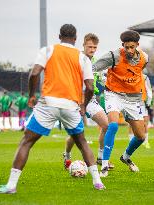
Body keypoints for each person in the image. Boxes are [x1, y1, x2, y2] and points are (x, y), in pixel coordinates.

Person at [0, 24, 105, 194]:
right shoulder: (83, 58)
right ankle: (98, 182)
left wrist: (31, 95)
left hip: (48, 103)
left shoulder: (49, 50)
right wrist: (82, 105)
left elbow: (34, 73)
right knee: (81, 142)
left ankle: (11, 185)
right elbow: (89, 86)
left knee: (27, 141)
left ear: (59, 36)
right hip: (71, 105)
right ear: (75, 39)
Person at [93, 30, 148, 177]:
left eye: (132, 47)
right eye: (126, 47)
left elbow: (138, 72)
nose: (129, 50)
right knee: (113, 125)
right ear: (122, 45)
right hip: (114, 94)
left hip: (133, 98)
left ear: (137, 45)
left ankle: (126, 157)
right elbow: (93, 68)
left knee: (141, 136)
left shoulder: (144, 58)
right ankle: (104, 165)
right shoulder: (114, 55)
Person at [63, 33, 114, 170]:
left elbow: (101, 79)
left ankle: (100, 157)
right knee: (76, 134)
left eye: (94, 47)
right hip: (74, 100)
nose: (92, 49)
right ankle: (67, 155)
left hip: (90, 100)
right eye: (89, 46)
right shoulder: (76, 59)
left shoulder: (97, 63)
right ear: (84, 45)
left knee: (106, 125)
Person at [128, 74, 153, 149]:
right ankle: (130, 141)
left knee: (145, 122)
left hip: (141, 102)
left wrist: (148, 102)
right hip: (131, 102)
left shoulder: (144, 77)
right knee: (131, 123)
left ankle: (146, 141)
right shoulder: (129, 76)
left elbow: (149, 90)